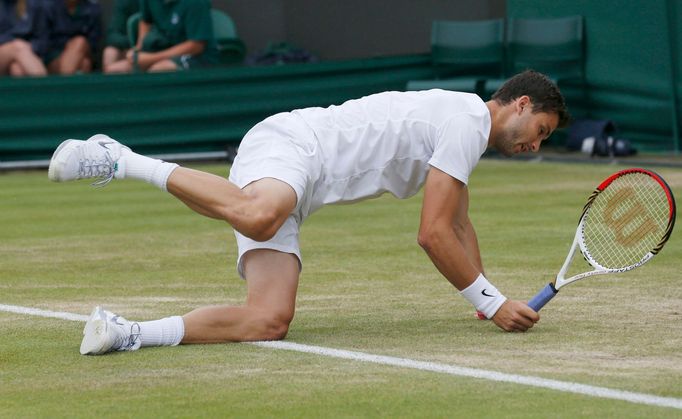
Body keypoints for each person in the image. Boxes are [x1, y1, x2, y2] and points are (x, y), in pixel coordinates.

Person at [48, 70, 569, 355]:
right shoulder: (467, 120)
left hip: (304, 187)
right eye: (541, 131)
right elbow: (432, 234)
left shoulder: (464, 139)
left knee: (269, 320)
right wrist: (494, 302)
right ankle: (121, 159)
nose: (536, 145)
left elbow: (457, 223)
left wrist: (486, 301)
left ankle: (128, 333)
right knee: (258, 215)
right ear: (520, 104)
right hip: (297, 146)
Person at [105, 0, 218, 73]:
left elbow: (196, 46)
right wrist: (140, 48)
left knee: (157, 71)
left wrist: (150, 58)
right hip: (161, 49)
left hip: (197, 57)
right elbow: (145, 21)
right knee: (113, 71)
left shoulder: (196, 3)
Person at [44, 0, 101, 75]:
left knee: (80, 44)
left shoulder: (93, 9)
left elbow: (95, 43)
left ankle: (63, 83)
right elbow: (43, 41)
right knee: (83, 63)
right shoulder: (48, 6)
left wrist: (74, 49)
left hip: (83, 54)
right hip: (53, 59)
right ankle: (65, 82)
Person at [0, 0, 49, 76]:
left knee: (17, 70)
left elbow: (41, 37)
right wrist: (16, 42)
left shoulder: (36, 4)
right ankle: (47, 86)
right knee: (18, 47)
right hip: (6, 50)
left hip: (26, 52)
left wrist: (31, 47)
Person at [101, 0, 137, 74]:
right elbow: (112, 35)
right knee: (110, 52)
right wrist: (132, 46)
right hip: (131, 47)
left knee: (112, 69)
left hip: (153, 50)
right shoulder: (125, 2)